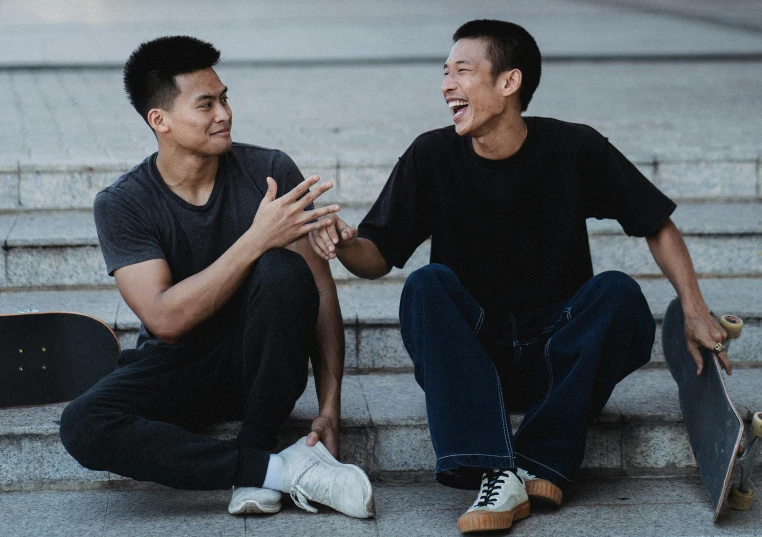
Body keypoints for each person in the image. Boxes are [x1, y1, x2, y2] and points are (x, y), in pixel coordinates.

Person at [307, 19, 732, 534]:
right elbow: (376, 257)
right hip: (473, 361)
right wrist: (344, 241)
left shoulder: (573, 148)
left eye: (462, 71)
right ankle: (494, 467)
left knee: (619, 293)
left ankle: (535, 462)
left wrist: (692, 307)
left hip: (560, 356)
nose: (447, 85)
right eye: (445, 73)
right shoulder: (432, 156)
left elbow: (656, 224)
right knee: (425, 285)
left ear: (509, 83)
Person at [59, 35, 374, 520]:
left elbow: (319, 290)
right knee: (83, 424)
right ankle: (275, 471)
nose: (223, 114)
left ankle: (257, 442)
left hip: (261, 363)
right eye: (205, 104)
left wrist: (330, 405)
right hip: (178, 365)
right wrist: (255, 238)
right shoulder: (123, 202)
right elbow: (165, 319)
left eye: (224, 98)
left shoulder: (268, 170)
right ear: (158, 120)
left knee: (284, 269)